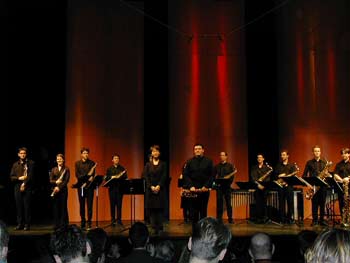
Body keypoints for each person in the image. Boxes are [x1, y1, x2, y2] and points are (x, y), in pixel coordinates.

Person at [183, 144, 214, 226]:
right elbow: (186, 175)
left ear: (203, 150)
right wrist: (191, 186)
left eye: (199, 149)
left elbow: (212, 175)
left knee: (203, 211)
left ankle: (203, 232)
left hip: (204, 190)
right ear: (194, 151)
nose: (197, 150)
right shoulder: (189, 162)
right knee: (194, 213)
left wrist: (206, 186)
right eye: (196, 149)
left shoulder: (209, 161)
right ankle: (195, 233)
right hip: (193, 191)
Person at [302, 145, 329, 226]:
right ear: (313, 152)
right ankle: (315, 220)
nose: (317, 152)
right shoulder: (309, 163)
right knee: (314, 204)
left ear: (320, 152)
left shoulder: (324, 163)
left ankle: (322, 220)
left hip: (323, 186)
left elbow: (326, 174)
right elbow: (304, 175)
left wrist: (327, 175)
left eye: (318, 151)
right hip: (314, 186)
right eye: (315, 151)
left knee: (322, 203)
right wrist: (308, 185)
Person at [143, 145, 167, 234]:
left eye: (157, 151)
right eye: (153, 151)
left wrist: (159, 186)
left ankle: (160, 227)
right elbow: (145, 176)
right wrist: (151, 186)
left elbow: (164, 176)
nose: (155, 153)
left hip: (160, 190)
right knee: (152, 209)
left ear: (159, 153)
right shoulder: (148, 165)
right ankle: (153, 227)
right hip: (151, 190)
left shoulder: (163, 164)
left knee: (160, 208)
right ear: (151, 153)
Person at [10, 147, 35, 231]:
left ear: (26, 154)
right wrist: (18, 178)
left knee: (27, 207)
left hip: (27, 187)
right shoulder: (15, 164)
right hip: (17, 187)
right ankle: (20, 224)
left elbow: (31, 176)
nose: (22, 154)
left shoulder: (31, 163)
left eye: (24, 153)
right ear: (18, 154)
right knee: (19, 206)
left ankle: (27, 224)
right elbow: (11, 177)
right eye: (21, 153)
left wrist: (25, 183)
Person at [74, 147, 97, 230]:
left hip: (89, 187)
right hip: (81, 187)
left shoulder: (92, 163)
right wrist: (86, 177)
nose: (86, 154)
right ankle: (83, 221)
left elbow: (92, 176)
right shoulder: (77, 163)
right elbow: (77, 175)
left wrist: (87, 180)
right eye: (84, 153)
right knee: (82, 205)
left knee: (90, 205)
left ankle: (89, 222)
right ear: (81, 154)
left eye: (87, 153)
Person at [272, 150, 297, 224]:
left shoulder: (292, 165)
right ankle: (282, 219)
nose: (282, 156)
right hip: (281, 186)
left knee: (290, 203)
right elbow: (274, 176)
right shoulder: (278, 165)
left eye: (283, 155)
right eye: (281, 155)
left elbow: (294, 177)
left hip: (288, 186)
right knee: (281, 203)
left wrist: (287, 181)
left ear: (287, 156)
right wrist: (279, 175)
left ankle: (289, 219)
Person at [104, 154, 127, 226]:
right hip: (112, 189)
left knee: (119, 205)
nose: (116, 159)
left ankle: (119, 220)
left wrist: (120, 177)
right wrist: (112, 177)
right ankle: (113, 220)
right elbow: (106, 178)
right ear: (112, 160)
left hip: (120, 189)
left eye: (117, 158)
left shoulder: (122, 169)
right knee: (112, 205)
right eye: (115, 158)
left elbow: (125, 178)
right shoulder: (109, 169)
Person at [214, 151, 237, 224]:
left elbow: (232, 177)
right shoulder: (217, 166)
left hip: (227, 187)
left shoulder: (230, 166)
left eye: (223, 155)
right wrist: (216, 184)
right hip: (219, 188)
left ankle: (230, 218)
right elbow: (214, 177)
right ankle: (219, 219)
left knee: (228, 203)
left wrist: (228, 183)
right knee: (219, 203)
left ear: (226, 157)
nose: (222, 157)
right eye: (220, 155)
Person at [250, 154, 273, 224]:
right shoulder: (254, 168)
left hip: (264, 188)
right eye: (258, 158)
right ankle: (258, 218)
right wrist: (258, 185)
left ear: (263, 159)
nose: (259, 159)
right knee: (257, 203)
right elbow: (253, 178)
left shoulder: (267, 168)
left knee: (264, 203)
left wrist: (263, 185)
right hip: (257, 187)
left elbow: (268, 178)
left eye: (260, 157)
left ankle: (265, 218)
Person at [49, 153, 70, 230]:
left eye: (60, 159)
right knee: (56, 208)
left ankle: (63, 224)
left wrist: (59, 188)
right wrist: (55, 182)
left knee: (63, 207)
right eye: (58, 159)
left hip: (63, 190)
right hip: (55, 190)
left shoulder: (66, 169)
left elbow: (66, 181)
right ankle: (56, 224)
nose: (59, 160)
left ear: (63, 160)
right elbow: (50, 180)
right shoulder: (53, 169)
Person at [332, 148, 350, 220]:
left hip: (349, 187)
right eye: (342, 153)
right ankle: (343, 219)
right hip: (341, 187)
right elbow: (335, 174)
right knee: (341, 203)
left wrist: (348, 179)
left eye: (345, 153)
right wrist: (342, 180)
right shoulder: (338, 164)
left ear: (349, 154)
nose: (343, 155)